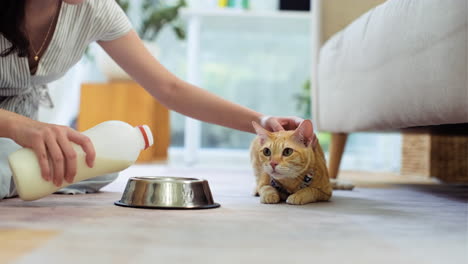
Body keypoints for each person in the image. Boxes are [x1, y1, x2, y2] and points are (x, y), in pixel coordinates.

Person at [0, 0, 316, 200]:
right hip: (11, 130)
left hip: (21, 133)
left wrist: (259, 121)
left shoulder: (95, 9)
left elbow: (169, 88)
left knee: (97, 161)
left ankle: (16, 173)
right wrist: (19, 127)